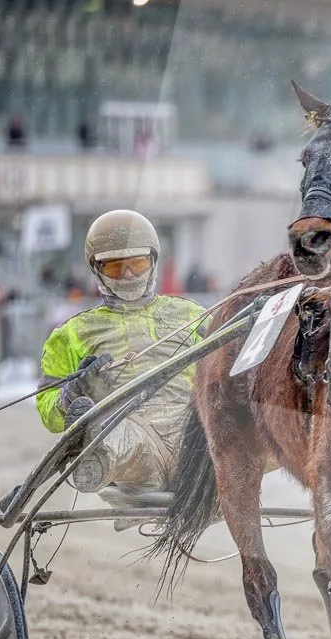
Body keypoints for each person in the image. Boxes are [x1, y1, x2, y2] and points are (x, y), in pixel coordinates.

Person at [36, 210, 206, 513]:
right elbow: (47, 409)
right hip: (133, 435)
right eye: (115, 267)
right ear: (97, 268)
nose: (128, 274)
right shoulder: (72, 333)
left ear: (152, 261)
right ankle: (96, 456)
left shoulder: (191, 315)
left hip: (197, 434)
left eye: (137, 264)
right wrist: (71, 394)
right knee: (115, 433)